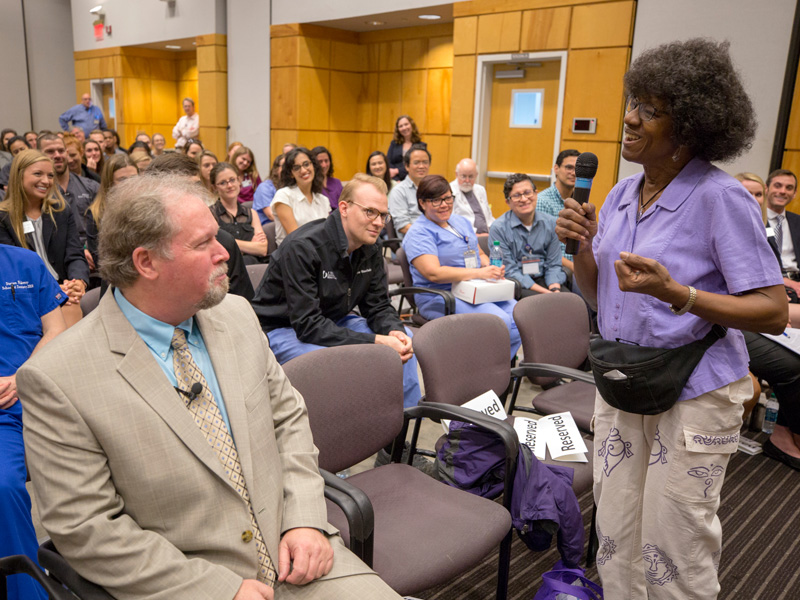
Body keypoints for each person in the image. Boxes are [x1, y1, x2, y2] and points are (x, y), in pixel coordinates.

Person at [16, 173, 402, 600]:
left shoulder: (236, 315)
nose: (225, 253)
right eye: (204, 244)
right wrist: (216, 589)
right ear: (146, 262)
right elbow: (88, 530)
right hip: (189, 582)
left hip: (301, 554)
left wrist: (305, 519)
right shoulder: (58, 377)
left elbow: (288, 421)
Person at [556, 38, 787, 599]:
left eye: (650, 110)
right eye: (633, 102)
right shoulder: (619, 195)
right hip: (623, 381)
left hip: (695, 392)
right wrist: (583, 252)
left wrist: (679, 294)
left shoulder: (720, 197)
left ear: (690, 129)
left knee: (673, 546)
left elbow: (773, 312)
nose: (630, 118)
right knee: (615, 532)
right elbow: (597, 297)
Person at [252, 173, 421, 408]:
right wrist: (375, 341)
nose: (379, 223)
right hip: (284, 328)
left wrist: (392, 331)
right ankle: (347, 430)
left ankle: (402, 422)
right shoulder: (303, 247)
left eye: (383, 215)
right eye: (370, 212)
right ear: (344, 208)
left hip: (335, 319)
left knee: (405, 339)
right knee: (332, 362)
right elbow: (308, 325)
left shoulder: (370, 247)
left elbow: (378, 306)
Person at [0, 243, 67, 600]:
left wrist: (23, 375)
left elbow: (55, 329)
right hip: (2, 415)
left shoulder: (24, 262)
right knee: (4, 486)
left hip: (44, 390)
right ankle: (30, 593)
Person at [402, 174, 521, 358]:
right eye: (436, 200)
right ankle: (484, 371)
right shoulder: (419, 233)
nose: (444, 204)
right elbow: (433, 273)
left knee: (520, 315)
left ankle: (497, 369)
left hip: (475, 287)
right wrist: (480, 273)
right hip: (441, 295)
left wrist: (490, 267)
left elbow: (478, 252)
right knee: (499, 321)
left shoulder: (460, 221)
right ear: (422, 203)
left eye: (448, 198)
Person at [147, 152, 255, 301]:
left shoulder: (223, 243)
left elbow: (244, 304)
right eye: (184, 190)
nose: (194, 197)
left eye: (197, 187)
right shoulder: (134, 243)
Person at [0, 149, 89, 327]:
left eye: (50, 175)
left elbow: (75, 255)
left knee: (73, 304)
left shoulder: (61, 211)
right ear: (19, 176)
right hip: (26, 293)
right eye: (38, 174)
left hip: (63, 289)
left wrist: (78, 282)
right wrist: (53, 290)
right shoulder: (3, 218)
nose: (46, 181)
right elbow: (13, 270)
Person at [490, 173, 565, 296]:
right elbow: (510, 270)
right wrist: (546, 294)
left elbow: (554, 264)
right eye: (516, 195)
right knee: (542, 306)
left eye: (527, 193)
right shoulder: (498, 228)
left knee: (571, 303)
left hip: (545, 279)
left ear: (536, 194)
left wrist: (554, 290)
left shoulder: (551, 223)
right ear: (507, 202)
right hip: (517, 284)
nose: (524, 199)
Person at [38, 133, 99, 246]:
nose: (57, 155)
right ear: (38, 154)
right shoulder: (37, 192)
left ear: (66, 153)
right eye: (50, 152)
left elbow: (101, 226)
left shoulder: (91, 186)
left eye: (61, 151)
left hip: (90, 249)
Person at [84, 154, 139, 270]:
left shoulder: (148, 208)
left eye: (134, 178)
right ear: (110, 182)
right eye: (122, 180)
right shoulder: (96, 213)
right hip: (114, 276)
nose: (129, 184)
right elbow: (99, 258)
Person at [210, 162, 268, 264]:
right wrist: (251, 245)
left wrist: (231, 245)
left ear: (239, 180)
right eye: (223, 183)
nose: (230, 185)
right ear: (215, 187)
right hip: (227, 269)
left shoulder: (251, 213)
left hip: (254, 266)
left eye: (232, 180)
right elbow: (215, 247)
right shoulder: (211, 214)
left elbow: (262, 249)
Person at [272, 147, 330, 247]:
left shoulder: (323, 200)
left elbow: (329, 233)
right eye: (296, 168)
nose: (303, 170)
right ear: (291, 173)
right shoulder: (283, 196)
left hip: (320, 253)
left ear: (313, 166)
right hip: (293, 255)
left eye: (306, 164)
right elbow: (296, 239)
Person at [537, 149, 580, 274]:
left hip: (577, 263)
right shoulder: (543, 201)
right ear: (556, 169)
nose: (573, 173)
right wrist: (576, 269)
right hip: (557, 268)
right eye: (569, 167)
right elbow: (543, 248)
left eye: (577, 169)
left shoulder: (578, 201)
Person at [764, 170, 800, 295]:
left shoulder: (798, 222)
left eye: (789, 188)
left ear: (794, 194)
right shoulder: (754, 219)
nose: (783, 191)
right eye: (778, 186)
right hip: (768, 285)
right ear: (766, 188)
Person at [387, 143, 430, 236]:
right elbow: (403, 226)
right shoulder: (398, 191)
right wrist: (431, 234)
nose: (421, 166)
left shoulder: (433, 189)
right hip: (413, 240)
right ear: (407, 166)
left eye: (425, 162)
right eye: (416, 162)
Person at [450, 158, 494, 237]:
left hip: (488, 235)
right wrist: (477, 236)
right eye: (463, 176)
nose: (467, 181)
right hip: (467, 237)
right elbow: (451, 223)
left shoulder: (480, 190)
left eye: (471, 177)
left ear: (476, 175)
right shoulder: (449, 192)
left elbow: (489, 217)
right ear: (456, 175)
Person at [387, 115, 425, 181]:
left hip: (413, 180)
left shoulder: (421, 146)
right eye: (400, 126)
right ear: (398, 129)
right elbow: (388, 162)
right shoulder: (394, 144)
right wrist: (396, 180)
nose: (404, 128)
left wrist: (397, 170)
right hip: (394, 180)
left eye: (406, 124)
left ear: (412, 125)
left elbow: (418, 166)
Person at [253, 154, 283, 224]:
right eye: (285, 166)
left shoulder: (292, 187)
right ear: (276, 169)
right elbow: (271, 215)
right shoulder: (265, 187)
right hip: (269, 228)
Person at [311, 146, 342, 210]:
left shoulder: (337, 182)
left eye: (326, 161)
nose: (324, 165)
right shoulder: (311, 185)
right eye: (320, 162)